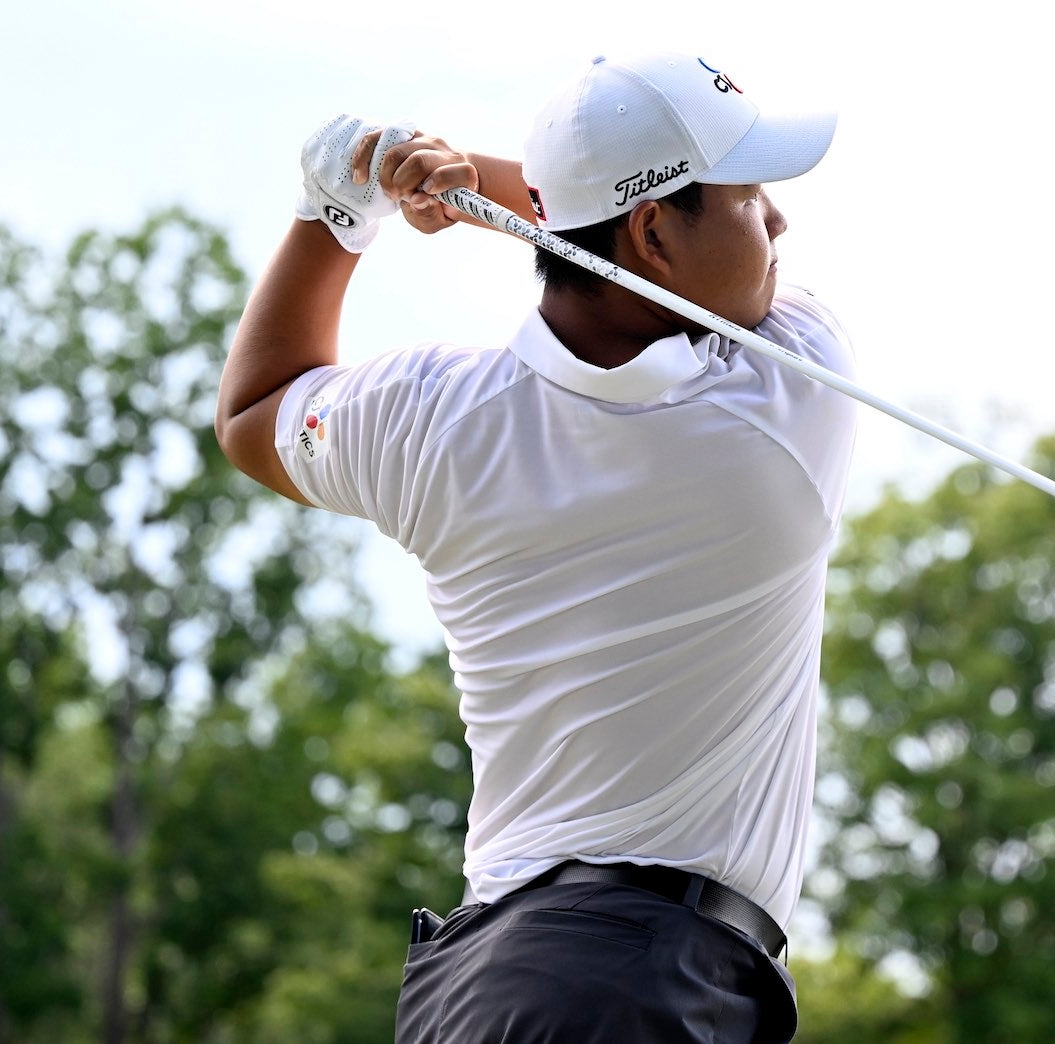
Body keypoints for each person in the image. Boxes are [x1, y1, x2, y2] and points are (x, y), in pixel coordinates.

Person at [213, 51, 855, 1042]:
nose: (776, 222)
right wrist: (469, 176)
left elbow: (256, 409)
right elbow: (644, 249)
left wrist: (336, 213)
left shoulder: (424, 417)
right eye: (747, 195)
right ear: (651, 231)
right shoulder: (784, 393)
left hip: (470, 988)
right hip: (647, 992)